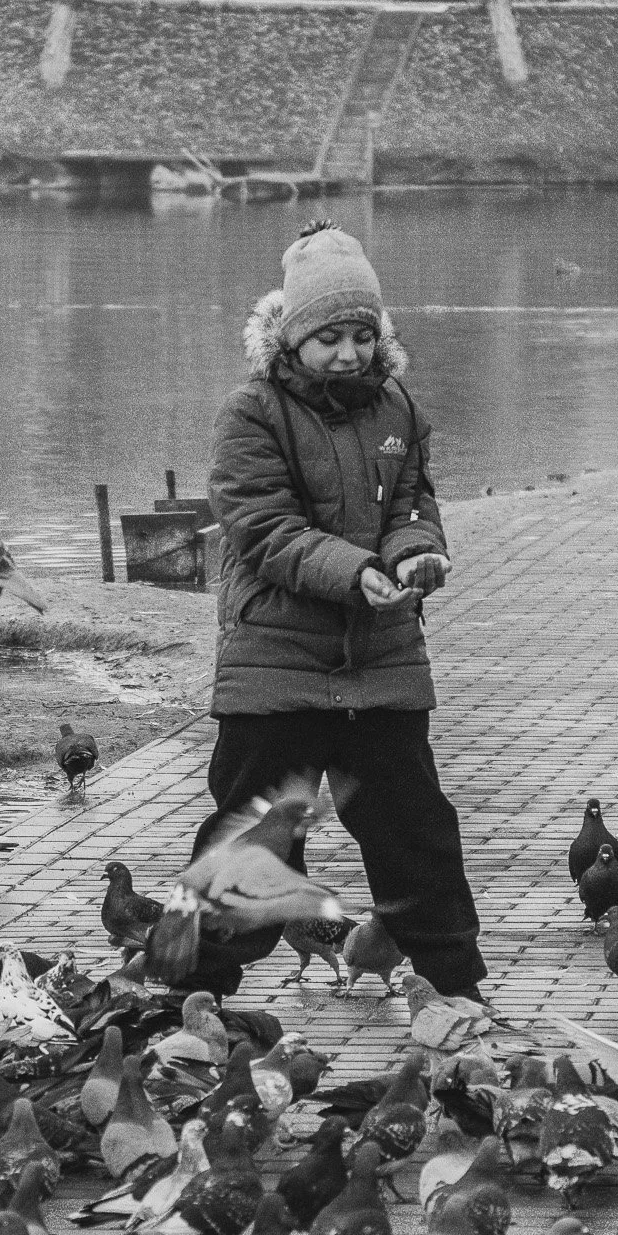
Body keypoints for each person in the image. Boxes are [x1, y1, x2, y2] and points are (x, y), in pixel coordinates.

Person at [185, 220, 486, 1004]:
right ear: (291, 338)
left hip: (381, 665)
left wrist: (418, 553)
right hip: (276, 669)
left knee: (418, 836)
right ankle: (196, 996)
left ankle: (459, 991)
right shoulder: (251, 413)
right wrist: (356, 573)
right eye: (329, 338)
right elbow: (263, 528)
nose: (349, 353)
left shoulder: (398, 409)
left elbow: (414, 502)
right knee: (252, 840)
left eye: (361, 334)